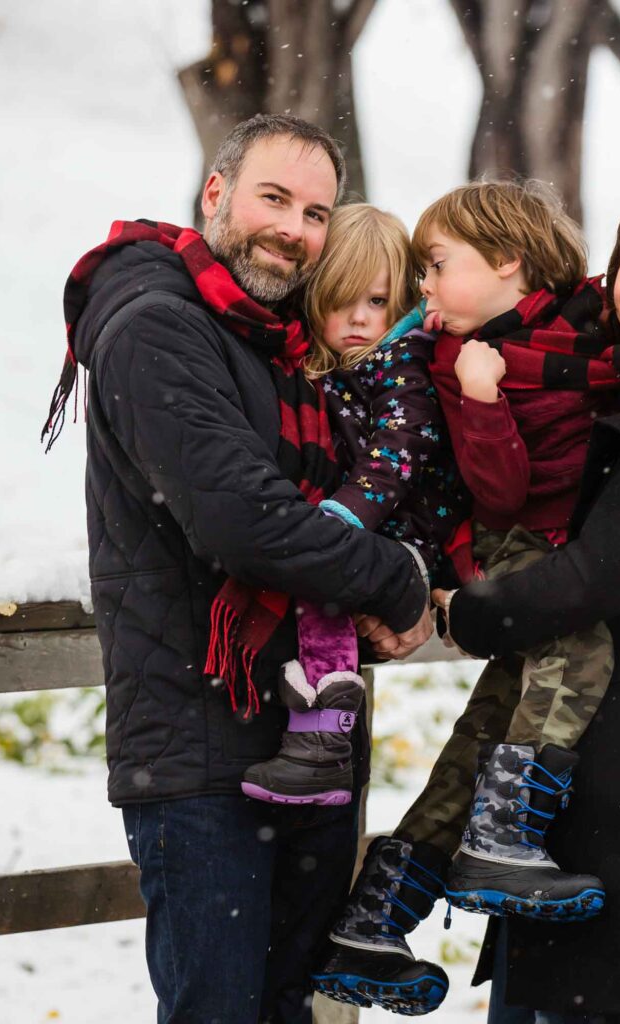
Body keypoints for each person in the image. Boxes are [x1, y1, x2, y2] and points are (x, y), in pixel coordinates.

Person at [313, 178, 620, 1016]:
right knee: (482, 763)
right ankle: (379, 920)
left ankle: (388, 910)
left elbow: (592, 578)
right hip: (597, 758)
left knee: (578, 1000)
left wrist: (457, 613)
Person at [42, 114, 432, 1024]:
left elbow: (432, 378)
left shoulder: (284, 343)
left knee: (287, 1011)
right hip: (200, 750)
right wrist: (395, 577)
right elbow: (246, 523)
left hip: (303, 741)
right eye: (274, 198)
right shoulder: (155, 328)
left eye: (314, 212)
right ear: (215, 194)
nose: (292, 228)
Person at [241, 203, 467, 807]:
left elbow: (400, 450)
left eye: (377, 303)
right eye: (343, 302)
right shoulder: (330, 366)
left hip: (408, 527)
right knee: (323, 596)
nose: (361, 321)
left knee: (323, 590)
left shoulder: (401, 364)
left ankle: (322, 745)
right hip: (371, 526)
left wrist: (341, 517)